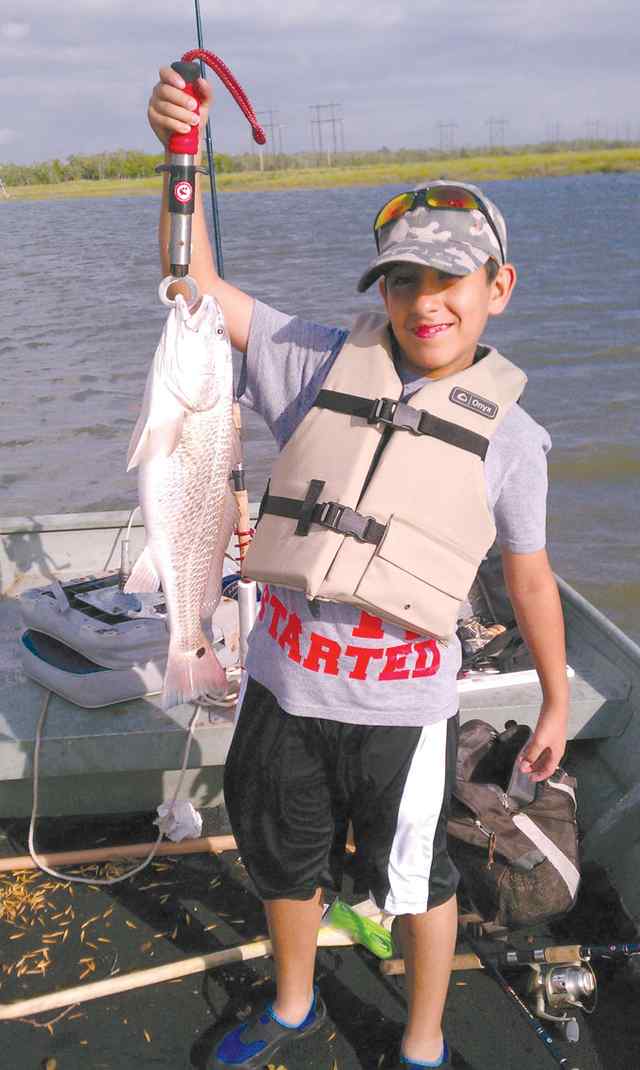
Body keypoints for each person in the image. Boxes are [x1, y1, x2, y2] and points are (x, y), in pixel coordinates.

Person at [148, 65, 569, 1070]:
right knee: (283, 864)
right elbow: (195, 289)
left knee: (419, 881)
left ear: (497, 289)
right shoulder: (312, 362)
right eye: (403, 279)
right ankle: (294, 1001)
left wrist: (554, 700)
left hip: (406, 719)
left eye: (450, 279)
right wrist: (178, 154)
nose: (425, 301)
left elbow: (532, 580)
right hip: (284, 690)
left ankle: (422, 1039)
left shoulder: (513, 440)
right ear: (381, 290)